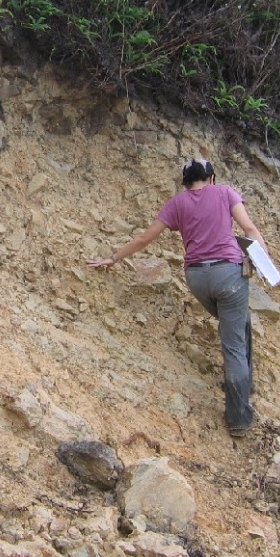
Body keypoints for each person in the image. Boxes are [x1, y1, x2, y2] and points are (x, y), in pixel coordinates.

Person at [88, 158, 269, 437]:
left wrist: (112, 258)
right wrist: (263, 261)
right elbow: (249, 229)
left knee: (237, 325)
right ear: (211, 177)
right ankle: (238, 417)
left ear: (185, 182)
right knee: (233, 343)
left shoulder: (176, 203)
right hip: (228, 275)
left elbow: (145, 238)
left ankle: (245, 386)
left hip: (197, 278)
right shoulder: (225, 192)